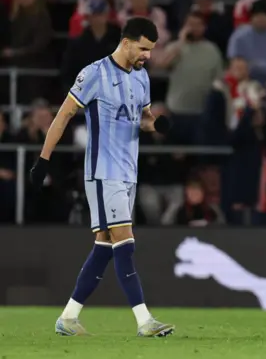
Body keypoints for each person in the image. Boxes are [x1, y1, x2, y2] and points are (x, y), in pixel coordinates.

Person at [29, 17, 175, 337]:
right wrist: (44, 159)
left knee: (105, 246)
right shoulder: (94, 73)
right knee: (125, 243)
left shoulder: (142, 78)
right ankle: (144, 321)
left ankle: (68, 318)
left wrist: (157, 125)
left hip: (129, 173)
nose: (147, 56)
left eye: (150, 50)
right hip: (102, 172)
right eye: (143, 48)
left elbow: (143, 119)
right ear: (125, 42)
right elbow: (64, 114)